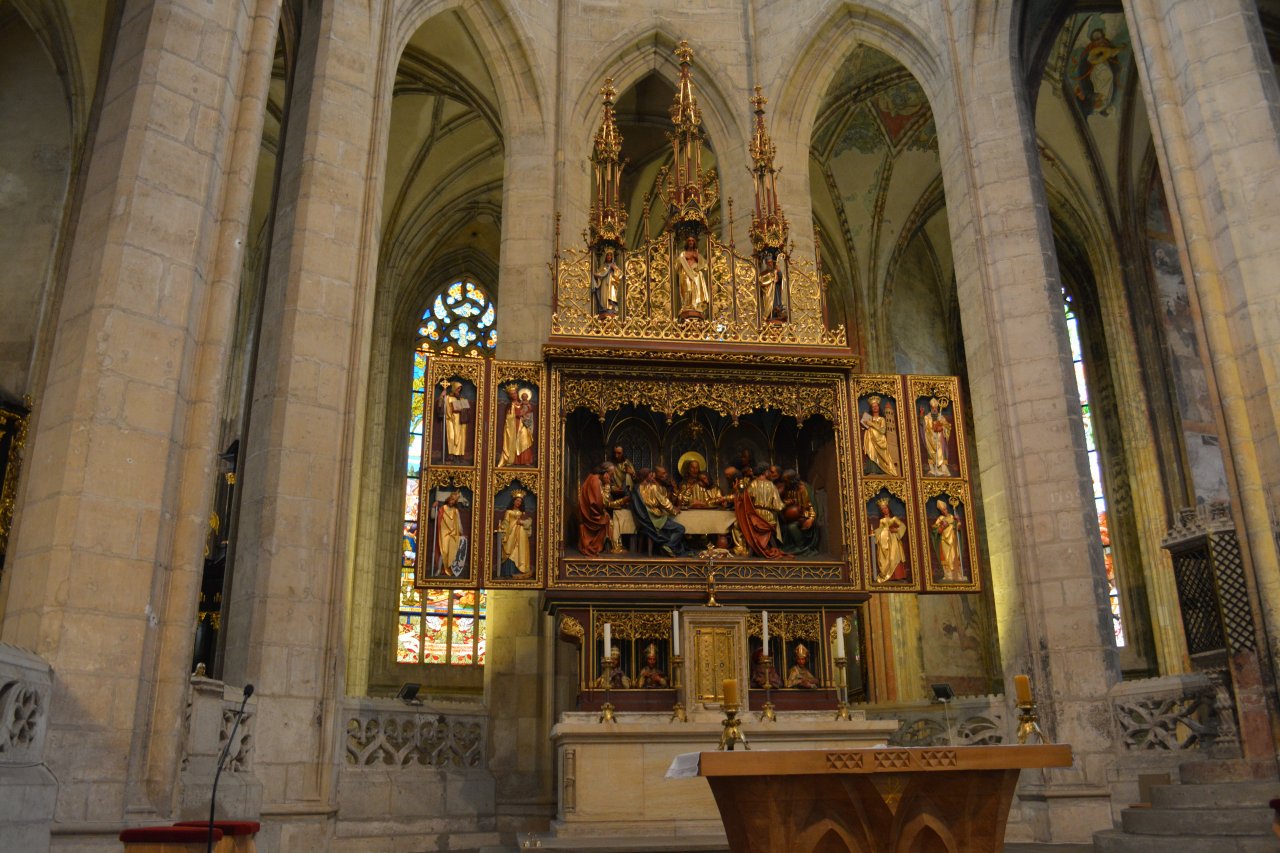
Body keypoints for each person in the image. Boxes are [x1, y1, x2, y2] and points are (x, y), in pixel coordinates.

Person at [732, 466, 787, 559]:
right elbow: (778, 506)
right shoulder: (772, 485)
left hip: (755, 517)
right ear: (765, 472)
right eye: (769, 471)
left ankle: (750, 548)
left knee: (741, 523)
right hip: (769, 518)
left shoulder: (752, 484)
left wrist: (737, 491)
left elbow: (745, 500)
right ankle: (770, 547)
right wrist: (785, 504)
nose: (770, 474)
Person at [632, 467, 687, 556]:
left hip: (644, 520)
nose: (653, 478)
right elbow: (664, 502)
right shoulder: (652, 487)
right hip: (655, 518)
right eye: (651, 476)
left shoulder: (635, 488)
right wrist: (674, 510)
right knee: (680, 529)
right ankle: (668, 546)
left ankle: (667, 547)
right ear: (646, 477)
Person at [779, 469, 821, 556]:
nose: (785, 483)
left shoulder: (804, 489)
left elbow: (811, 506)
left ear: (792, 480)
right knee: (782, 527)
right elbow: (784, 501)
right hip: (792, 517)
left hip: (805, 517)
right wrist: (787, 503)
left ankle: (801, 546)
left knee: (792, 527)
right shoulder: (788, 489)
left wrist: (811, 519)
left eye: (786, 481)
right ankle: (791, 546)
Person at [577, 466, 613, 556]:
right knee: (607, 518)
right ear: (605, 474)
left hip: (588, 512)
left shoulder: (592, 478)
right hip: (591, 515)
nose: (609, 478)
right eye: (609, 475)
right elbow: (599, 502)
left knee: (607, 516)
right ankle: (596, 546)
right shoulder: (595, 481)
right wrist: (607, 486)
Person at [497, 491, 533, 578]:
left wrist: (522, 522)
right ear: (513, 501)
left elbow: (527, 523)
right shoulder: (508, 512)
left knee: (520, 550)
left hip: (521, 535)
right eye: (517, 500)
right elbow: (506, 522)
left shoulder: (522, 513)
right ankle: (508, 571)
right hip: (511, 533)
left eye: (520, 501)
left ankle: (520, 569)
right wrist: (502, 528)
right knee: (510, 550)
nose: (518, 503)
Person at [872, 497, 909, 582]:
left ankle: (898, 576)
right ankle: (890, 576)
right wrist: (875, 533)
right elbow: (879, 530)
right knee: (888, 558)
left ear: (888, 508)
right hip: (885, 541)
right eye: (882, 509)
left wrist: (896, 530)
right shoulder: (882, 520)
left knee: (895, 556)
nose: (884, 510)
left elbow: (903, 526)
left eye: (885, 508)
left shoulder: (894, 518)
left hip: (894, 540)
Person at [860, 395, 899, 476]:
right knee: (871, 454)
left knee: (883, 456)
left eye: (876, 406)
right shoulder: (868, 418)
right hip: (870, 439)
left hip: (880, 440)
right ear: (871, 408)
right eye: (873, 406)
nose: (875, 408)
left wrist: (872, 424)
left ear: (878, 407)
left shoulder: (882, 419)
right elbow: (864, 427)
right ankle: (872, 470)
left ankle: (885, 469)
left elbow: (883, 430)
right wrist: (865, 425)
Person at [432, 491, 468, 577]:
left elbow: (459, 523)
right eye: (451, 499)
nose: (452, 502)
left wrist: (461, 533)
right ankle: (439, 569)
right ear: (448, 499)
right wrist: (433, 507)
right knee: (443, 551)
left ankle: (451, 570)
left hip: (454, 533)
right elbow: (433, 517)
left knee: (453, 552)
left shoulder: (455, 511)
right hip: (444, 533)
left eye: (454, 501)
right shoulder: (442, 509)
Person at [676, 233, 710, 319]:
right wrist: (683, 259)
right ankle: (686, 306)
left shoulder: (696, 254)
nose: (691, 242)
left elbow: (705, 265)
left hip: (696, 275)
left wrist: (697, 257)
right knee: (687, 290)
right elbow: (677, 266)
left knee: (696, 290)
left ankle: (696, 306)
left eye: (692, 241)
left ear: (694, 243)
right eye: (689, 241)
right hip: (686, 274)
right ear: (687, 243)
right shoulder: (683, 254)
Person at [932, 498, 965, 582]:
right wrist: (943, 526)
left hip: (953, 539)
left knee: (954, 556)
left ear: (947, 509)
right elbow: (936, 531)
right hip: (944, 541)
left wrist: (958, 520)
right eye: (942, 510)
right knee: (946, 558)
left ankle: (957, 575)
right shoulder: (940, 519)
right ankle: (948, 575)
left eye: (945, 509)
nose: (944, 511)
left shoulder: (952, 517)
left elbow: (958, 527)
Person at [920, 397, 952, 477]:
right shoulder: (927, 417)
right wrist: (921, 414)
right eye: (933, 408)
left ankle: (944, 471)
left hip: (939, 439)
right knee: (931, 454)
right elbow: (923, 424)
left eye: (935, 408)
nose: (934, 409)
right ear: (931, 408)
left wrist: (942, 428)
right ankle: (933, 470)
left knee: (941, 454)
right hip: (930, 439)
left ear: (937, 408)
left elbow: (947, 426)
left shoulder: (941, 417)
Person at [439, 381, 470, 461]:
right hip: (451, 420)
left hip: (461, 420)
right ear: (454, 388)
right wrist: (442, 396)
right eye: (457, 388)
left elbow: (467, 409)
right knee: (451, 436)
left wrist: (464, 409)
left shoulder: (462, 399)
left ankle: (460, 455)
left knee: (461, 437)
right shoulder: (448, 397)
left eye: (460, 388)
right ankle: (451, 454)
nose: (458, 390)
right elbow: (441, 406)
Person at [592, 247, 622, 317]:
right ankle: (604, 309)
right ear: (605, 256)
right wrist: (597, 276)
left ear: (612, 257)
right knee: (604, 296)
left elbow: (620, 275)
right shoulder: (603, 266)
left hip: (611, 284)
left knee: (611, 295)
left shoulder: (614, 265)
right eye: (608, 255)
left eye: (610, 255)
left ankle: (611, 310)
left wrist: (614, 269)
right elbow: (599, 274)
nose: (609, 256)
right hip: (604, 284)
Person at [759, 253, 787, 322]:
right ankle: (769, 315)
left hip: (776, 291)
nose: (770, 264)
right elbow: (761, 281)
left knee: (777, 303)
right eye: (768, 263)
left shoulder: (775, 271)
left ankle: (778, 313)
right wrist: (772, 277)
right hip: (769, 293)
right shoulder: (764, 273)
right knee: (770, 305)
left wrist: (778, 271)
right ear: (766, 263)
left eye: (771, 262)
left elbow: (781, 279)